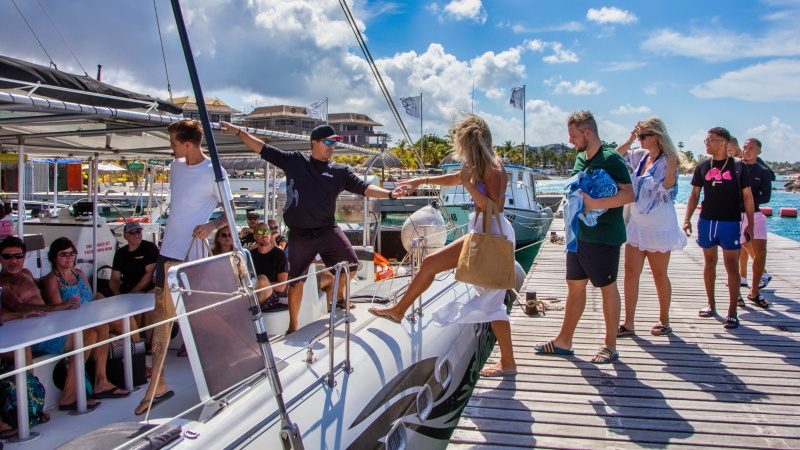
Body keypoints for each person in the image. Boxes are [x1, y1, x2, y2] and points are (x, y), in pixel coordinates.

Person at [221, 121, 407, 334]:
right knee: (296, 281)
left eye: (334, 143)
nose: (332, 147)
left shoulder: (340, 172)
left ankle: (337, 296)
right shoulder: (296, 162)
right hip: (300, 234)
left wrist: (390, 194)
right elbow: (262, 147)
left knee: (352, 266)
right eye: (328, 142)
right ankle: (293, 326)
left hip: (328, 230)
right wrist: (238, 131)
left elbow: (365, 188)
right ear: (314, 143)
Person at [368, 115, 519, 378]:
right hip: (481, 232)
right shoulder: (481, 163)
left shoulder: (493, 168)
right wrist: (420, 181)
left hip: (494, 236)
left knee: (493, 303)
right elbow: (454, 178)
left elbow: (495, 207)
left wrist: (467, 185)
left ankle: (508, 363)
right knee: (431, 265)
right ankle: (399, 310)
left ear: (472, 141)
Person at [136, 118, 232, 416]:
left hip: (194, 255)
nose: (171, 147)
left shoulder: (214, 172)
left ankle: (226, 368)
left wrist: (212, 225)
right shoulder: (176, 167)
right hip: (169, 252)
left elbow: (231, 210)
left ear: (188, 144)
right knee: (161, 318)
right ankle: (158, 384)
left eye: (174, 143)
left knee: (204, 317)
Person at [535, 110, 633, 364]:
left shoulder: (611, 159)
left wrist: (596, 202)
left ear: (588, 132)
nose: (570, 140)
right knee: (575, 286)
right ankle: (564, 340)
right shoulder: (581, 157)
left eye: (573, 135)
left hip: (604, 237)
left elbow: (629, 195)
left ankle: (610, 345)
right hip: (578, 236)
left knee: (606, 288)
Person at [615, 118, 686, 336]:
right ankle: (629, 323)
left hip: (659, 224)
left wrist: (672, 170)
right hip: (637, 222)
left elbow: (669, 191)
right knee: (630, 273)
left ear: (657, 136)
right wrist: (629, 139)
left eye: (644, 136)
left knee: (659, 274)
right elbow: (617, 156)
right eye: (639, 136)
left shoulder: (668, 160)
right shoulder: (640, 155)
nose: (640, 140)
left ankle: (664, 319)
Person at [683, 127, 755, 329]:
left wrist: (751, 224)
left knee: (732, 266)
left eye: (710, 140)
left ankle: (732, 311)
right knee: (709, 263)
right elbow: (694, 195)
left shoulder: (739, 166)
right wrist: (687, 219)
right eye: (706, 139)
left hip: (730, 222)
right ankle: (711, 305)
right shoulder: (703, 166)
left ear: (722, 142)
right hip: (707, 221)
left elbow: (748, 197)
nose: (706, 142)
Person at [737, 138, 772, 308]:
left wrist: (748, 197)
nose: (747, 150)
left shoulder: (763, 171)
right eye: (745, 147)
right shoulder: (735, 166)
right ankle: (736, 294)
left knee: (761, 254)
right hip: (735, 215)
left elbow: (766, 196)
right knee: (734, 253)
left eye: (751, 148)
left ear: (759, 152)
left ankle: (754, 292)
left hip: (756, 215)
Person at [248, 222, 288, 310]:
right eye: (260, 232)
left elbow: (281, 287)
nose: (264, 234)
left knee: (262, 279)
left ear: (270, 234)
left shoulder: (280, 255)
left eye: (267, 231)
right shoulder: (250, 255)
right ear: (254, 236)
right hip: (253, 295)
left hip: (271, 297)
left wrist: (262, 285)